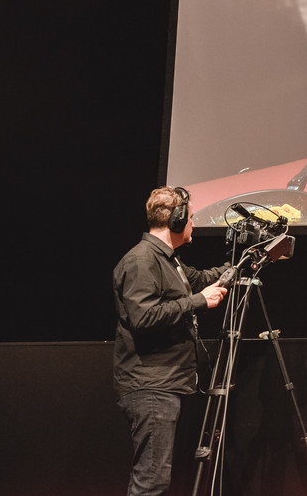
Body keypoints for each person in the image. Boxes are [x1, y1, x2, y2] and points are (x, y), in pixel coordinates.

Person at [112, 186, 230, 496]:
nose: (193, 224)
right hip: (151, 386)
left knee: (155, 479)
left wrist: (243, 264)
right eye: (190, 218)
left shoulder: (167, 260)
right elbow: (144, 318)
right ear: (175, 220)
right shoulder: (141, 261)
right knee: (151, 482)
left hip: (163, 384)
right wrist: (198, 301)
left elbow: (202, 279)